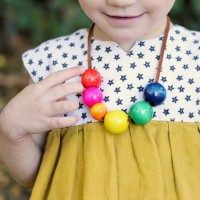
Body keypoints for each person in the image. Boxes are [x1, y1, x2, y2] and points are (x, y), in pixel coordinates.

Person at [0, 0, 199, 199]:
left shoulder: (195, 57)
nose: (121, 2)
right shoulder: (54, 62)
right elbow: (36, 176)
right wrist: (11, 129)